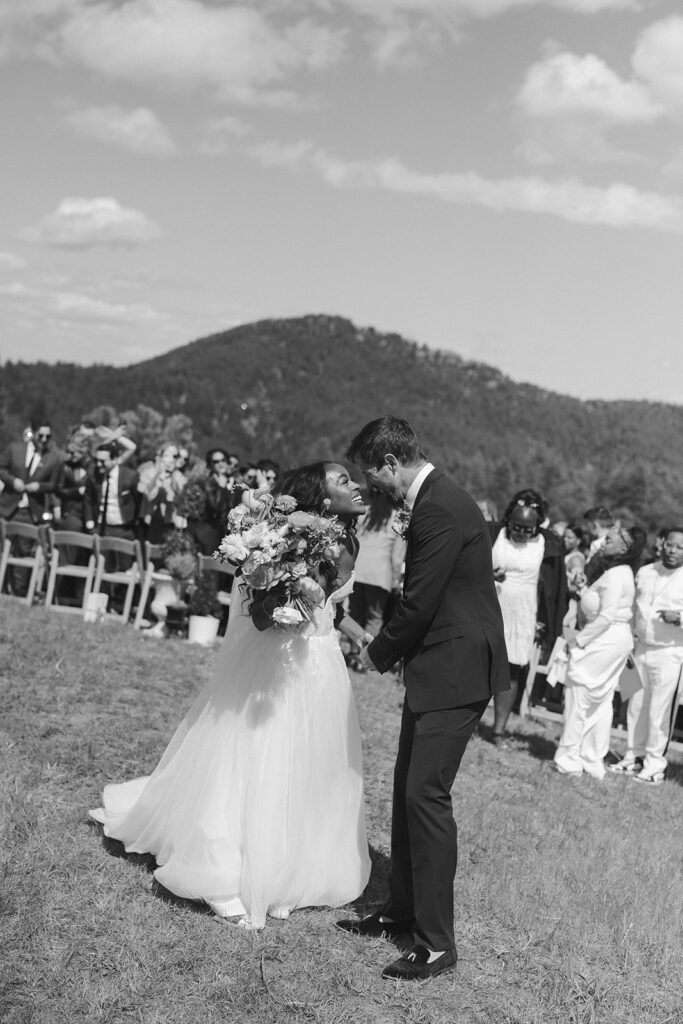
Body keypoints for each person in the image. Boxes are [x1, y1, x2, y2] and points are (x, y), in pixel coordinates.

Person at [90, 462, 372, 929]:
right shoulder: (282, 537)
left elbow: (330, 607)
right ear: (319, 499)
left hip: (323, 666)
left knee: (306, 768)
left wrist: (360, 634)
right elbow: (261, 616)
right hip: (277, 662)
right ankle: (222, 870)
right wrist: (283, 594)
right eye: (343, 481)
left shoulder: (350, 540)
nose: (355, 485)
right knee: (255, 757)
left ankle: (286, 873)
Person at [339, 416, 509, 982]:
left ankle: (436, 942)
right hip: (438, 665)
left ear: (391, 463)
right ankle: (401, 910)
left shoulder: (439, 504)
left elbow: (420, 601)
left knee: (426, 798)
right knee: (407, 790)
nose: (374, 486)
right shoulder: (439, 497)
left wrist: (377, 651)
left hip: (456, 669)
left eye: (374, 474)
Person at [554, 525, 646, 779]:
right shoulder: (620, 572)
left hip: (605, 639)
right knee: (600, 701)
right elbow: (603, 609)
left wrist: (578, 642)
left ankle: (569, 759)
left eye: (609, 540)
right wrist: (584, 589)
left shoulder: (617, 575)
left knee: (579, 693)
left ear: (624, 548)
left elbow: (605, 617)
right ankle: (591, 759)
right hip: (614, 638)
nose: (602, 543)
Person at [489, 492, 568, 743]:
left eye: (527, 529)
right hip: (493, 604)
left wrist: (544, 620)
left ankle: (499, 730)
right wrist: (489, 574)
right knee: (480, 664)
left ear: (537, 526)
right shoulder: (494, 534)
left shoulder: (548, 545)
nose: (521, 533)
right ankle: (465, 721)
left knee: (511, 670)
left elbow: (554, 588)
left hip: (525, 611)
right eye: (516, 527)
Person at [608, 526, 683, 785]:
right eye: (671, 545)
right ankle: (632, 756)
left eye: (680, 547)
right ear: (663, 544)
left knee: (659, 710)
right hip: (640, 648)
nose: (673, 551)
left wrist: (679, 618)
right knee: (635, 705)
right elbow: (630, 606)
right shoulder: (646, 572)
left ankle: (654, 765)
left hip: (670, 652)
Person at [0, 421, 61, 595]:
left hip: (31, 511)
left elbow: (54, 484)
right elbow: (1, 468)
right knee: (3, 548)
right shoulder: (14, 449)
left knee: (23, 551)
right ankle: (2, 587)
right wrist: (13, 481)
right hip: (8, 507)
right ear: (32, 433)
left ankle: (18, 590)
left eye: (47, 436)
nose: (43, 439)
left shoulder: (53, 458)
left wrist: (39, 487)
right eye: (40, 435)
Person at [348, 488, 405, 648]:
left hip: (357, 570)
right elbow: (397, 557)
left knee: (355, 613)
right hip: (380, 574)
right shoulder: (398, 519)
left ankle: (352, 651)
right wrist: (396, 581)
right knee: (375, 617)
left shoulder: (364, 514)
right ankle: (366, 654)